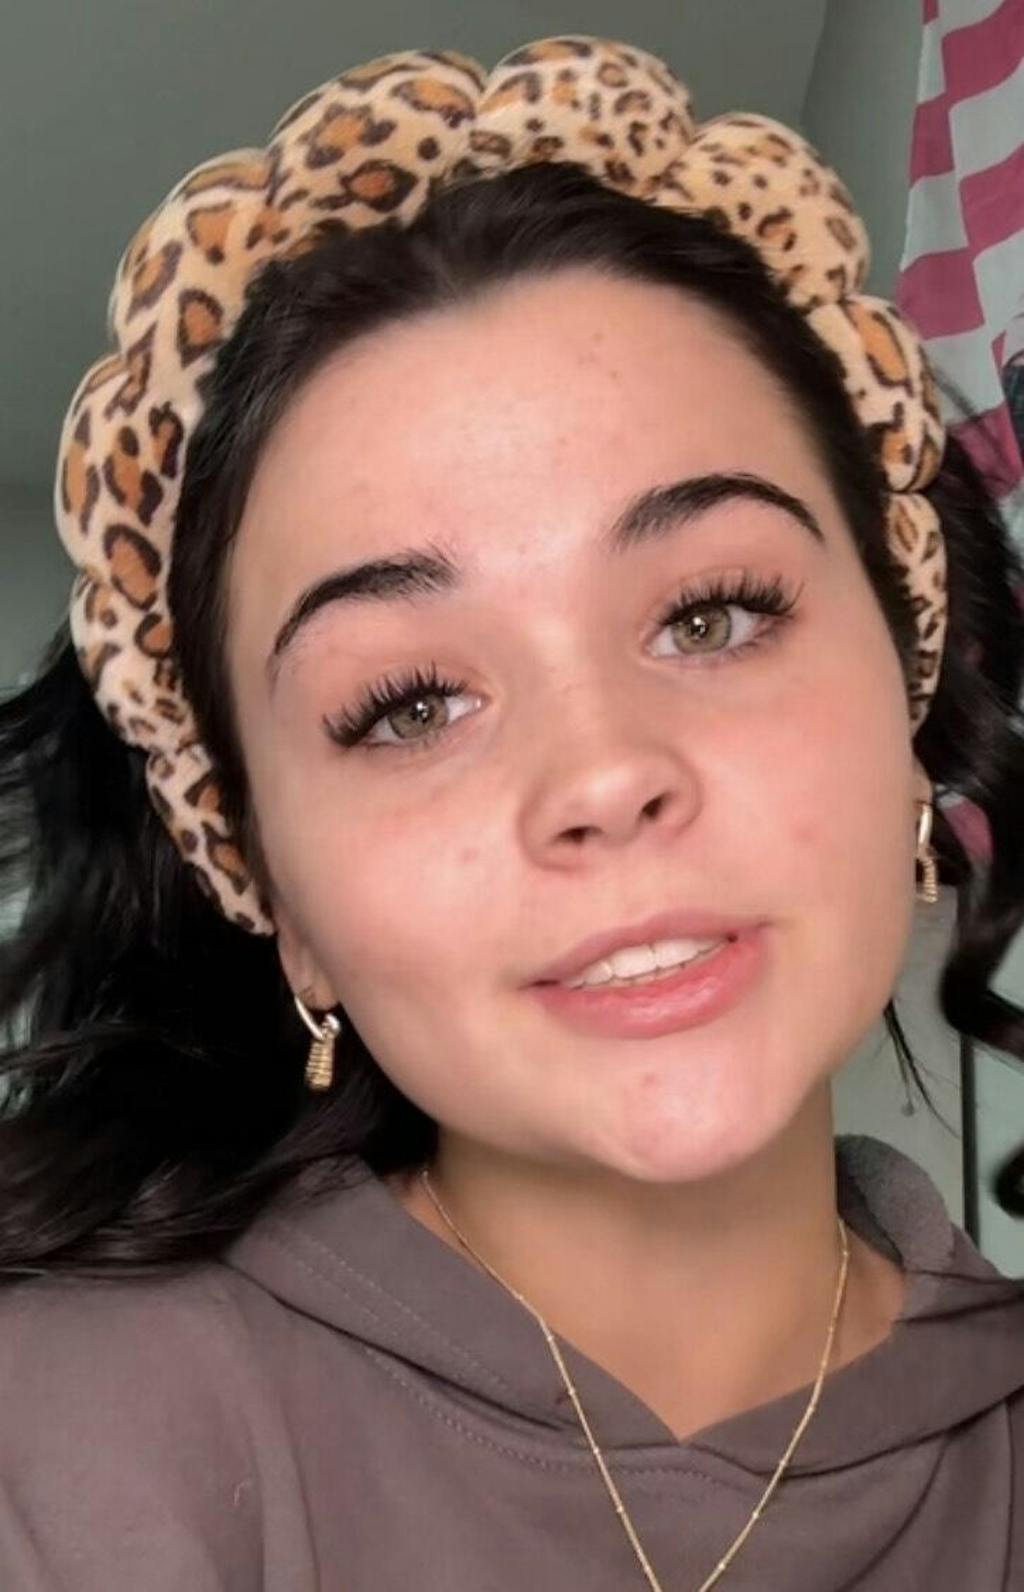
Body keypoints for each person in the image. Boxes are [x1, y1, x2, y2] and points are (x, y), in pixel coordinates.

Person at [1, 35, 1024, 1592]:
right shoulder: (59, 1445)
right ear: (280, 902)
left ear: (910, 699)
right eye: (411, 704)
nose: (603, 774)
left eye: (712, 615)